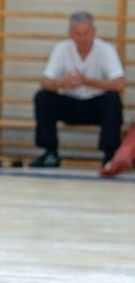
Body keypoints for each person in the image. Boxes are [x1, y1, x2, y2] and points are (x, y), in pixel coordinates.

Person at [29, 11, 124, 168]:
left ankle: (109, 155)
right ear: (70, 34)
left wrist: (85, 81)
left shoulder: (106, 49)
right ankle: (50, 153)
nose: (82, 38)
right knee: (43, 96)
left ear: (94, 32)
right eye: (78, 34)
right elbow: (45, 81)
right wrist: (61, 83)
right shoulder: (62, 48)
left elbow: (119, 84)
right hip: (69, 105)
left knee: (113, 99)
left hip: (95, 105)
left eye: (86, 33)